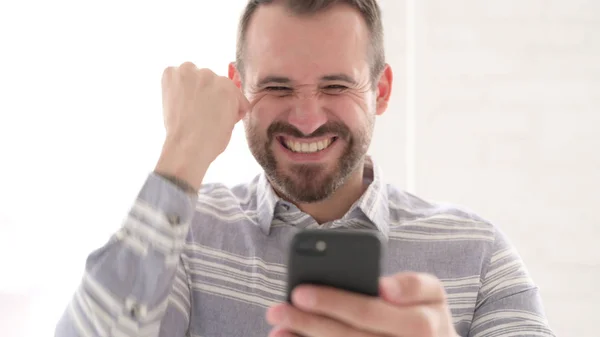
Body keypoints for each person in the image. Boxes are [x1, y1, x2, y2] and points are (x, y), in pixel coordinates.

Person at [55, 0, 555, 336]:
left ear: (380, 92)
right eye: (277, 87)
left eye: (336, 86)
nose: (308, 118)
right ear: (239, 88)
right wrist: (182, 152)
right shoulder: (185, 235)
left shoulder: (480, 254)